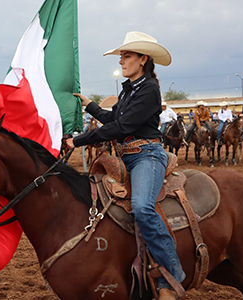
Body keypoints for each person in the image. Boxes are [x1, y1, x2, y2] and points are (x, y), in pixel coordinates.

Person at [66, 31, 185, 300]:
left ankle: (171, 278)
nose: (121, 60)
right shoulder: (131, 89)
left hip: (146, 155)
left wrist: (79, 140)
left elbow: (123, 126)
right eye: (121, 56)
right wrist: (90, 105)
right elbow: (114, 118)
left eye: (126, 56)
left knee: (143, 207)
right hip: (126, 156)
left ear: (142, 59)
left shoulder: (150, 90)